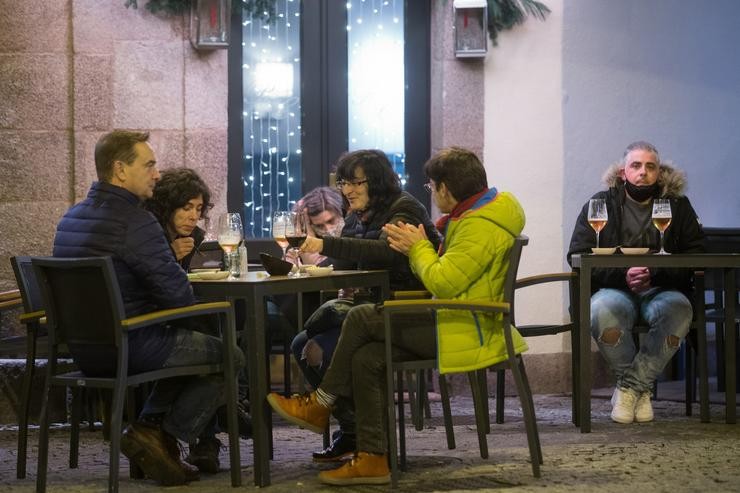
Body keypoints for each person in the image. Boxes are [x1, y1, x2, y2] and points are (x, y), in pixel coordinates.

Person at [267, 147, 528, 485]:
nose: (347, 190)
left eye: (432, 186)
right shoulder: (470, 218)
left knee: (357, 320)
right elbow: (355, 260)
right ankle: (372, 455)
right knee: (362, 353)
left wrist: (417, 246)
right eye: (343, 182)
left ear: (445, 188)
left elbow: (443, 282)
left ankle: (321, 404)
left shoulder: (470, 223)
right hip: (448, 318)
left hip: (464, 326)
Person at [53, 130, 246, 485]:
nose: (156, 174)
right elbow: (179, 299)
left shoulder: (69, 219)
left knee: (194, 348)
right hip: (133, 343)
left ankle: (152, 432)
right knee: (230, 356)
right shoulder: (136, 222)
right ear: (120, 170)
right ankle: (158, 433)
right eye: (150, 165)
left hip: (83, 352)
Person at [288, 150, 440, 464]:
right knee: (302, 342)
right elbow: (344, 260)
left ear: (378, 181)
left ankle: (339, 420)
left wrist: (326, 244)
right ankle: (352, 432)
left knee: (328, 347)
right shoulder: (359, 215)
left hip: (404, 312)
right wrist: (302, 259)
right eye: (344, 183)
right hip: (371, 308)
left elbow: (388, 253)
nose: (348, 191)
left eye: (357, 183)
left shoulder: (405, 209)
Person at [567, 141, 705, 424]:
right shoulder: (600, 203)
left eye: (650, 166)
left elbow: (697, 255)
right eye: (636, 165)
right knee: (601, 309)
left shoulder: (677, 206)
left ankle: (629, 388)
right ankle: (640, 392)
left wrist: (655, 273)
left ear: (659, 172)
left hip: (663, 290)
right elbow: (576, 254)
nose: (643, 172)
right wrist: (623, 274)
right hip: (614, 289)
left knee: (679, 310)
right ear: (622, 173)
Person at [144, 167, 212, 271]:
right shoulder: (148, 233)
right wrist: (170, 254)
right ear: (168, 206)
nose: (194, 217)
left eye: (199, 209)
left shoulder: (192, 237)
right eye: (186, 208)